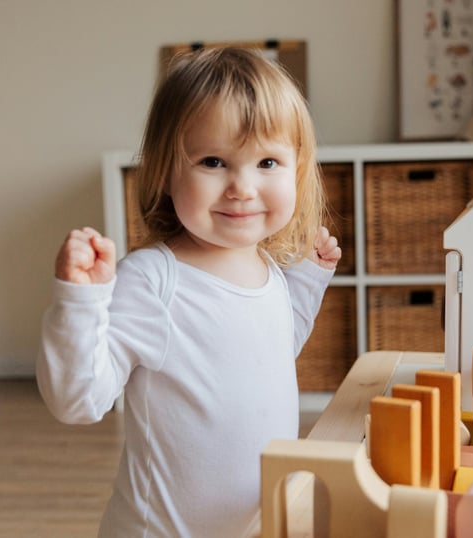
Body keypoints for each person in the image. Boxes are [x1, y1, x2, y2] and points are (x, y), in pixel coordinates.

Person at [37, 47, 341, 537]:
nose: (242, 186)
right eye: (214, 161)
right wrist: (80, 304)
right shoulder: (152, 281)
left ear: (298, 172)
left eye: (267, 161)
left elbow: (273, 355)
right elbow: (78, 400)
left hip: (254, 525)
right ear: (166, 171)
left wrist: (306, 280)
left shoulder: (269, 270)